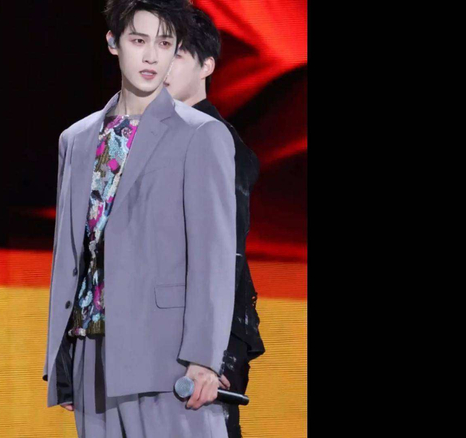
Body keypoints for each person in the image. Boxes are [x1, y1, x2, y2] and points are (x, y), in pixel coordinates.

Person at [42, 0, 237, 436]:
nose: (151, 56)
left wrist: (204, 357)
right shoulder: (76, 139)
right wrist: (60, 357)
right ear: (113, 43)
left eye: (164, 44)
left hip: (166, 357)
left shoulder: (201, 134)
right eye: (138, 40)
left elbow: (213, 256)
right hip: (91, 351)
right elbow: (70, 253)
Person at [163, 6, 266, 438]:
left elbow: (224, 256)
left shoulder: (218, 141)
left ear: (207, 65)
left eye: (176, 53)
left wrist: (214, 357)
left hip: (205, 351)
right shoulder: (137, 136)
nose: (159, 64)